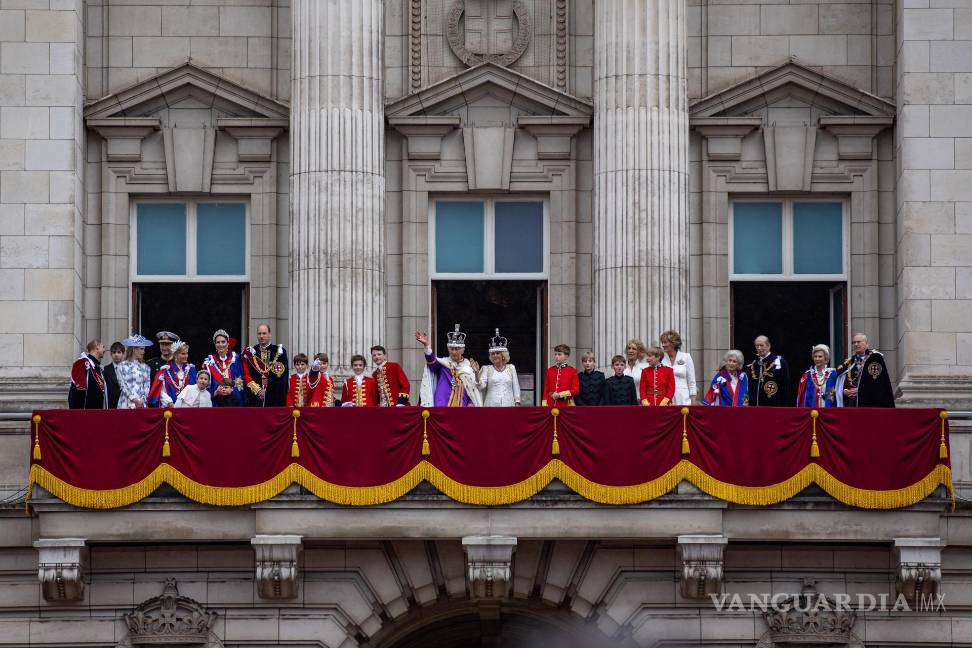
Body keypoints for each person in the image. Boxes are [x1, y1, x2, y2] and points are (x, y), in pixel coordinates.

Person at [416, 325, 482, 407]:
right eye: (451, 349)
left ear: (463, 350)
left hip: (462, 408)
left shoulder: (468, 367)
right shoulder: (443, 364)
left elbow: (472, 389)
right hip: (442, 406)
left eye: (456, 349)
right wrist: (426, 346)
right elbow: (432, 362)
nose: (454, 352)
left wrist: (471, 403)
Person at [835, 333, 895, 408]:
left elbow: (878, 383)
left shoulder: (875, 358)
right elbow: (839, 383)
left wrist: (860, 390)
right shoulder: (849, 363)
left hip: (869, 404)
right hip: (850, 404)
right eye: (854, 342)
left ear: (866, 344)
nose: (856, 344)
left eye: (859, 342)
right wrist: (844, 391)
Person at [242, 323, 289, 407]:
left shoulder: (279, 352)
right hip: (255, 398)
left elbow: (282, 377)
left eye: (264, 333)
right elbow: (247, 375)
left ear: (270, 334)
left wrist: (268, 392)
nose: (261, 336)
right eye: (259, 333)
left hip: (274, 398)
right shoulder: (252, 352)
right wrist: (258, 390)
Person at [476, 329, 521, 407]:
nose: (495, 356)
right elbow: (481, 386)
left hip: (508, 406)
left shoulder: (511, 368)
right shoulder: (487, 369)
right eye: (492, 354)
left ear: (503, 355)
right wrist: (476, 373)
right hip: (491, 407)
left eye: (497, 353)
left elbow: (516, 386)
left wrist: (517, 402)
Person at [148, 341, 197, 408]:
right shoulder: (165, 370)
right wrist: (169, 402)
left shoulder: (191, 370)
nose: (186, 356)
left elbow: (195, 389)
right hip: (170, 408)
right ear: (175, 355)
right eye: (183, 354)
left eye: (187, 353)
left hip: (188, 408)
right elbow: (161, 391)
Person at [203, 329, 246, 407]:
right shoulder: (209, 362)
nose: (221, 344)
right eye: (218, 342)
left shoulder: (236, 359)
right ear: (215, 345)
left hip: (234, 402)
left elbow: (240, 380)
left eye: (223, 342)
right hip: (217, 403)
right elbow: (207, 386)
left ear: (228, 343)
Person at [746, 335, 791, 406]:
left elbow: (785, 386)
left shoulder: (779, 362)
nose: (759, 348)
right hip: (755, 406)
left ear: (768, 346)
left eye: (761, 345)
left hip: (773, 405)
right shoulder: (753, 364)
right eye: (757, 346)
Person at [660, 330, 697, 406]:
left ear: (673, 343)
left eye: (665, 342)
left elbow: (692, 381)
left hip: (684, 399)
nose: (663, 345)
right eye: (662, 342)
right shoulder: (661, 359)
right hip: (665, 400)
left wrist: (693, 402)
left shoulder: (686, 357)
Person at [117, 333, 153, 409]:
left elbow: (147, 386)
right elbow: (123, 385)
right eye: (141, 349)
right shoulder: (121, 366)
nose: (143, 351)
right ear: (134, 349)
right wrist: (134, 399)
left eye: (144, 349)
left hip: (142, 403)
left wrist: (142, 399)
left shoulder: (146, 367)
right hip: (126, 402)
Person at [796, 344, 839, 408]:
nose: (817, 359)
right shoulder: (807, 375)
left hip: (829, 412)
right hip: (811, 413)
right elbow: (802, 397)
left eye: (820, 356)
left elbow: (838, 392)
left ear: (826, 358)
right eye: (815, 356)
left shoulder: (833, 374)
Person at [68, 339, 107, 409]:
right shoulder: (82, 363)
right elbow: (78, 390)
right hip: (85, 411)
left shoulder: (97, 367)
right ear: (97, 347)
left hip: (97, 411)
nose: (105, 349)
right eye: (103, 347)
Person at [103, 342, 125, 408]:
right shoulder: (105, 370)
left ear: (123, 354)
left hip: (125, 405)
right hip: (111, 407)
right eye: (114, 352)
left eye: (119, 352)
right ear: (111, 354)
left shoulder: (128, 369)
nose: (116, 355)